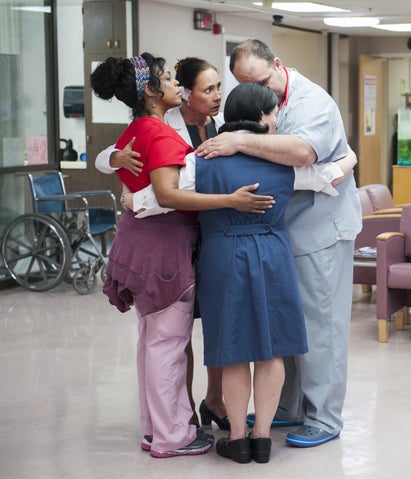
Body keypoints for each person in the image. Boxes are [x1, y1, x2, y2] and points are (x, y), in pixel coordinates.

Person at [195, 39, 362, 448]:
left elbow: (304, 153)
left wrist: (238, 140)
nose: (261, 97)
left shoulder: (313, 102)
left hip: (321, 230)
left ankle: (324, 418)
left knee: (322, 327)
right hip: (278, 233)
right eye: (247, 86)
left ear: (279, 66)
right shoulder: (268, 108)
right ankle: (286, 409)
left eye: (263, 82)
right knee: (287, 328)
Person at [89, 52, 254, 458]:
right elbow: (167, 193)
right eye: (166, 78)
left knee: (153, 343)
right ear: (149, 91)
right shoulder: (161, 134)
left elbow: (142, 182)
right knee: (168, 345)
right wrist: (229, 200)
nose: (174, 84)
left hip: (140, 244)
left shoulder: (138, 128)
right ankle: (172, 437)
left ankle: (155, 429)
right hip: (163, 250)